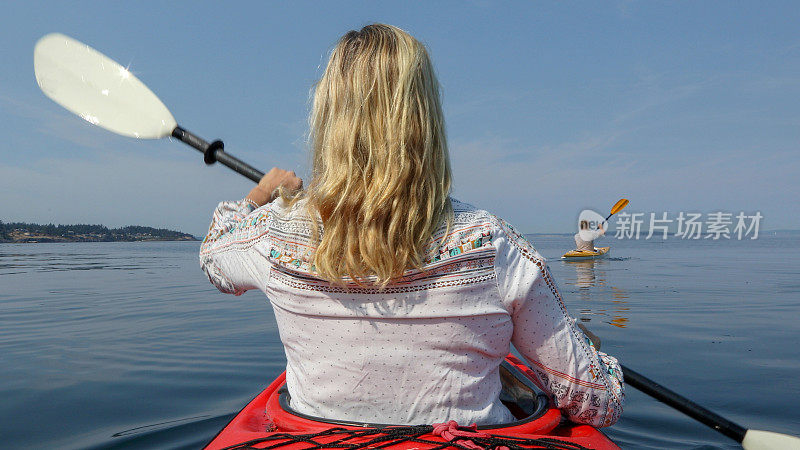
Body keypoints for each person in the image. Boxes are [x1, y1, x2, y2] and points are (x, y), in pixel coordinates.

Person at [200, 24, 623, 428]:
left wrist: (260, 196)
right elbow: (595, 403)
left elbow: (214, 255)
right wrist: (600, 364)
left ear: (327, 118)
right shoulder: (493, 247)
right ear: (426, 118)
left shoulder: (274, 235)